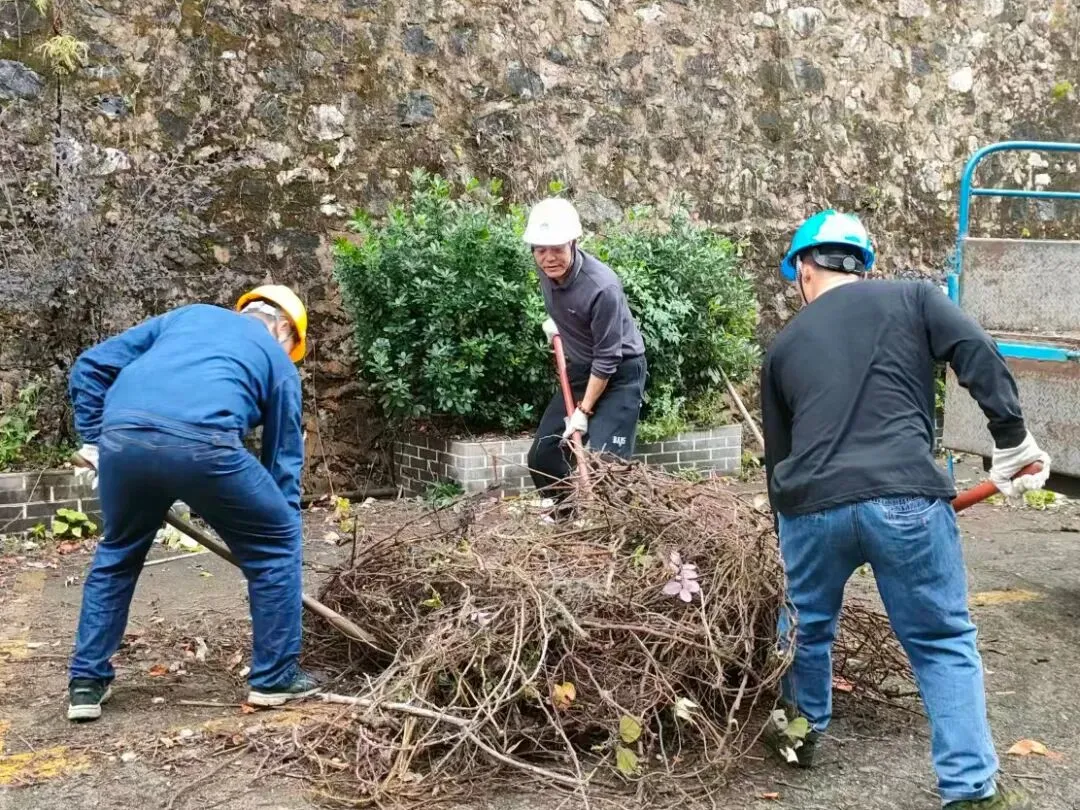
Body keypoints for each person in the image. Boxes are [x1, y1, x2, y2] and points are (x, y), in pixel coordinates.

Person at [759, 210, 1049, 809]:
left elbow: (778, 459)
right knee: (941, 639)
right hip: (908, 501)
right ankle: (969, 789)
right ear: (863, 265)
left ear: (804, 270)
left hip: (811, 509)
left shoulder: (783, 345)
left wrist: (785, 528)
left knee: (806, 627)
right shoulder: (915, 298)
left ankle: (800, 732)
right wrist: (1012, 439)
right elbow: (975, 349)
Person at [65, 285, 318, 721]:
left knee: (118, 553)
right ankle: (275, 677)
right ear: (284, 330)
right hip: (207, 446)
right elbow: (282, 463)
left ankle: (86, 684)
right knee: (277, 541)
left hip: (124, 440)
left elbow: (89, 368)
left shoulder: (186, 317)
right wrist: (277, 526)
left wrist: (96, 442)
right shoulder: (278, 362)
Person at [522, 198, 647, 521]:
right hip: (580, 368)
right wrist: (560, 327)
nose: (548, 258)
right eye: (540, 249)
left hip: (619, 373)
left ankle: (617, 530)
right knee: (543, 455)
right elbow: (571, 312)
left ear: (573, 243)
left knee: (607, 464)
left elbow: (607, 358)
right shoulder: (546, 272)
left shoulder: (602, 287)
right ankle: (571, 520)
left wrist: (584, 411)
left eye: (557, 248)